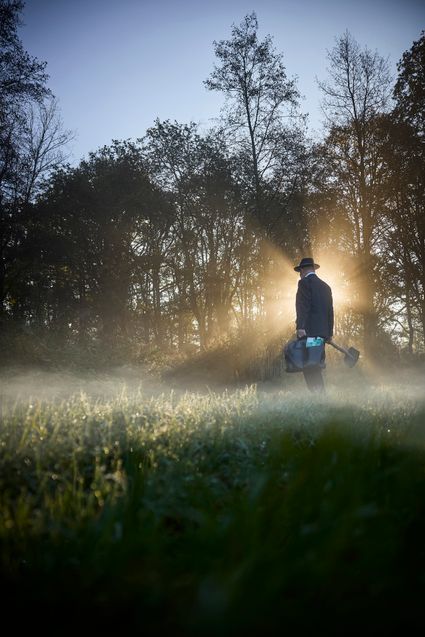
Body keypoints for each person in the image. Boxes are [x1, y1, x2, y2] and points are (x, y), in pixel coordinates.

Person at [294, 257, 334, 392]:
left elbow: (303, 306)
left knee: (309, 364)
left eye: (300, 271)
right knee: (316, 363)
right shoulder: (326, 287)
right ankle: (319, 395)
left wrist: (300, 327)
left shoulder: (304, 283)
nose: (300, 274)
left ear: (303, 270)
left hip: (309, 334)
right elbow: (330, 312)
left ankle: (318, 395)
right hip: (322, 335)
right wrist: (329, 333)